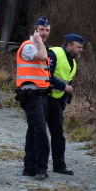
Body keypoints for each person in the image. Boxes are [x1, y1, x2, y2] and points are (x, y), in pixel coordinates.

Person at [16, 16, 72, 181]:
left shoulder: (42, 47)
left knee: (33, 131)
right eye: (42, 30)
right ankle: (41, 169)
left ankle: (29, 167)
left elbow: (45, 74)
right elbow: (40, 56)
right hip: (31, 96)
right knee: (40, 131)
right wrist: (39, 41)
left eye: (47, 30)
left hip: (42, 95)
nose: (45, 33)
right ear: (35, 30)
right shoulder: (28, 46)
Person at [46, 33, 85, 176]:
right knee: (36, 133)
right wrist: (64, 87)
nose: (81, 50)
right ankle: (32, 166)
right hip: (43, 97)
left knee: (58, 135)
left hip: (56, 101)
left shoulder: (72, 63)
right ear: (69, 45)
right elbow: (47, 75)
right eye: (79, 47)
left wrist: (62, 105)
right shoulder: (55, 53)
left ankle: (59, 166)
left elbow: (69, 84)